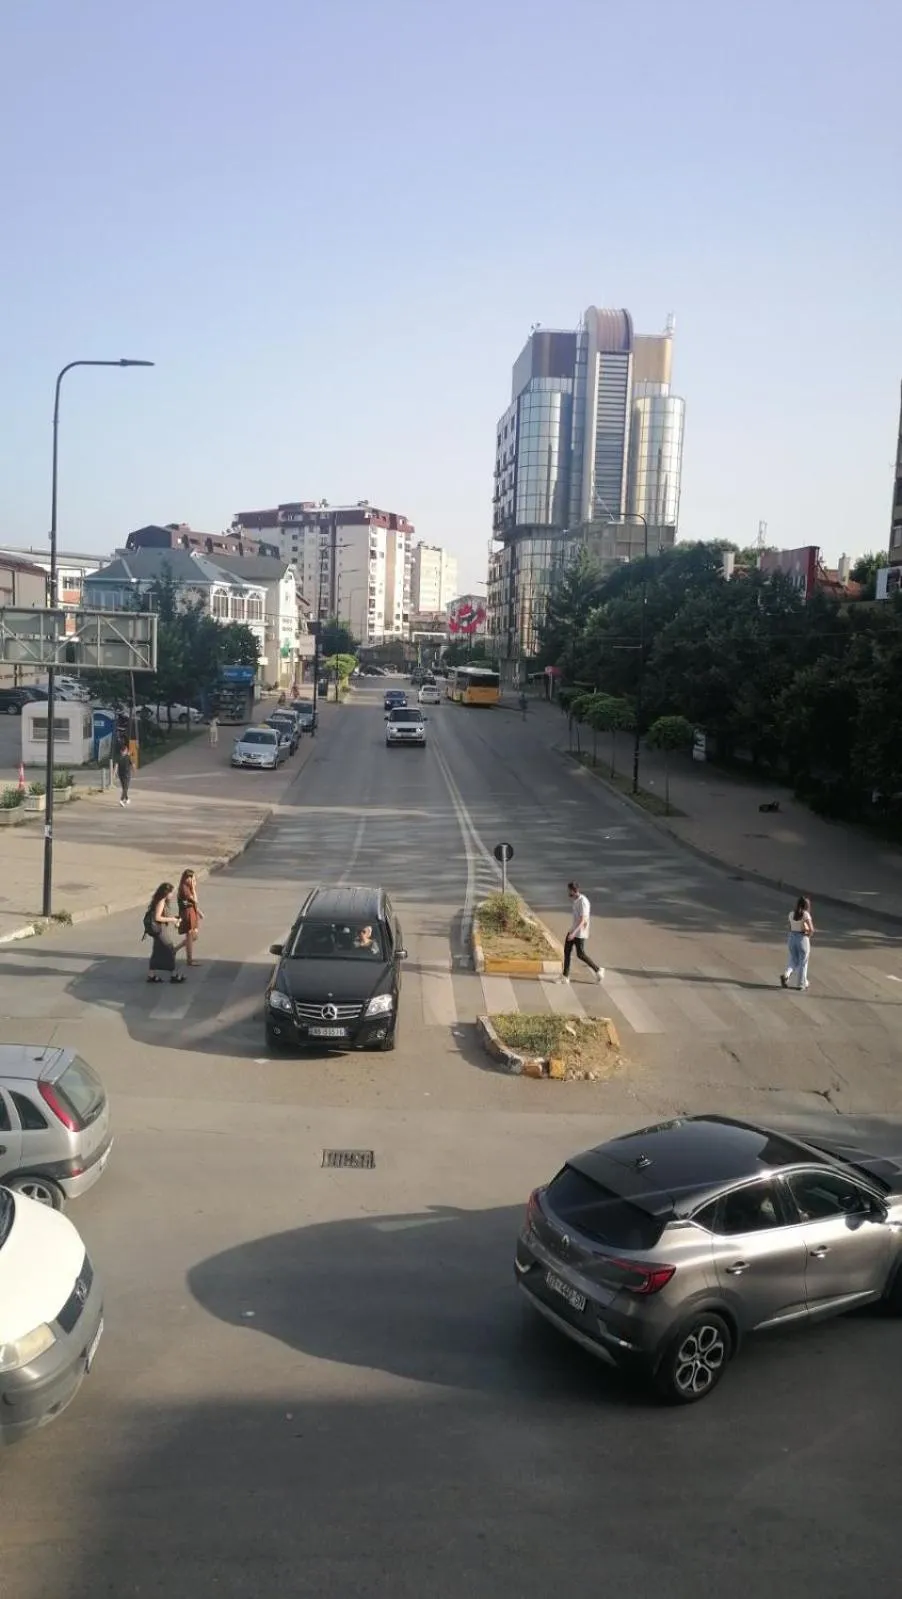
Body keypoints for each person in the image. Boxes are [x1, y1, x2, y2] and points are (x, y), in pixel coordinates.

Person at [560, 880, 604, 984]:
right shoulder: (576, 900)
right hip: (573, 930)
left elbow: (583, 920)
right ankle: (565, 976)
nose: (568, 893)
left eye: (569, 891)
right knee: (567, 951)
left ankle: (598, 970)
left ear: (573, 890)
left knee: (580, 954)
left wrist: (574, 934)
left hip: (579, 932)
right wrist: (572, 931)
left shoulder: (583, 902)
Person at [144, 882, 184, 984]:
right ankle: (174, 975)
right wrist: (172, 920)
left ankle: (151, 975)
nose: (172, 895)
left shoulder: (160, 900)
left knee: (157, 951)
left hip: (158, 929)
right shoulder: (161, 901)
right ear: (166, 893)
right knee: (169, 949)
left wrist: (173, 919)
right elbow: (157, 917)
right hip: (159, 929)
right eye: (171, 893)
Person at [781, 895, 814, 991]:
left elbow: (790, 927)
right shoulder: (806, 915)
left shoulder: (791, 914)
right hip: (802, 938)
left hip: (792, 938)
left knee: (794, 960)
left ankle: (786, 975)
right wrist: (808, 934)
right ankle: (801, 984)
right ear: (806, 905)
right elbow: (811, 929)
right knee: (803, 962)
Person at [177, 869, 204, 966]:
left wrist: (198, 912)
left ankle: (175, 949)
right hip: (187, 914)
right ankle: (189, 960)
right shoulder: (185, 889)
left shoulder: (187, 888)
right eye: (192, 879)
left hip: (191, 913)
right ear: (186, 878)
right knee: (189, 936)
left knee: (194, 936)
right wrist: (193, 888)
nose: (193, 881)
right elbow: (195, 900)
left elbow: (192, 904)